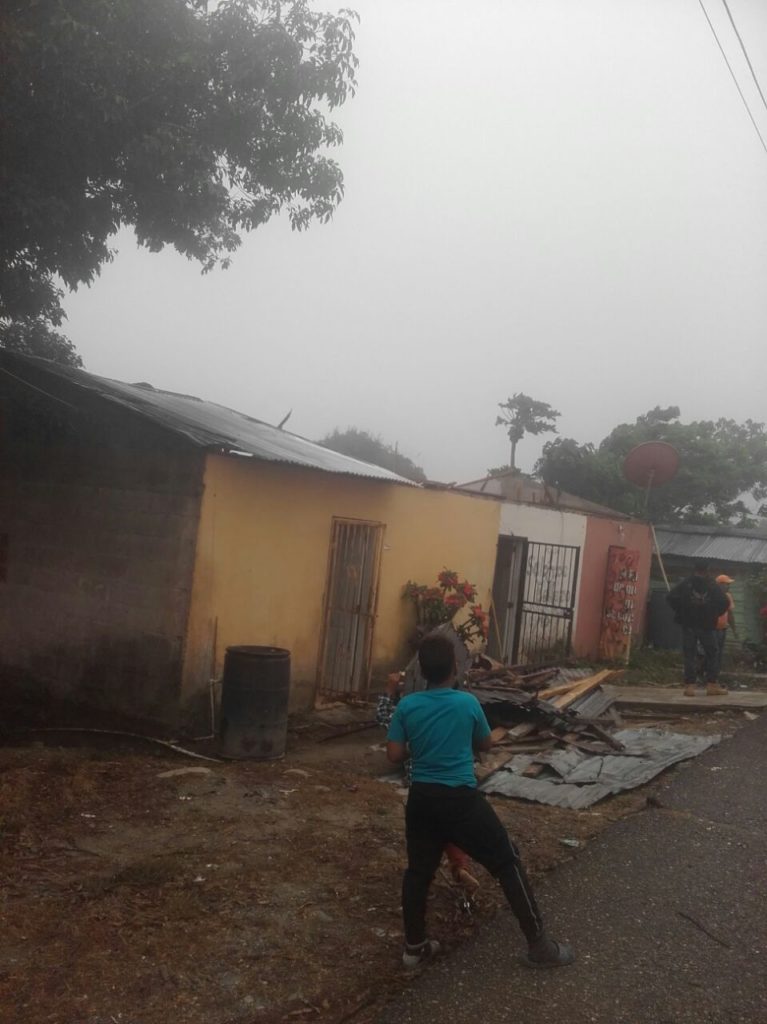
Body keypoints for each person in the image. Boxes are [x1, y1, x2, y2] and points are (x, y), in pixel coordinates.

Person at [386, 632, 574, 970]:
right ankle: (539, 946)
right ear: (455, 668)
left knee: (418, 873)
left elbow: (394, 754)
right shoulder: (467, 703)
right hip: (460, 800)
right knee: (506, 861)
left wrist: (422, 746)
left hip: (422, 800)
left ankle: (414, 948)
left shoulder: (407, 705)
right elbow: (485, 743)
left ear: (422, 671)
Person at [667, 561, 729, 697]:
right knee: (713, 652)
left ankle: (690, 687)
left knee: (689, 654)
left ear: (694, 569)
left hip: (688, 624)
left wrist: (681, 612)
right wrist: (713, 614)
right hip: (706, 626)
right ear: (707, 570)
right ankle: (711, 685)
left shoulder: (686, 583)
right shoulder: (711, 584)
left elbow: (671, 597)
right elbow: (725, 602)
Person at [713, 574, 737, 676]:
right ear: (720, 585)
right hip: (711, 629)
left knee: (719, 653)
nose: (728, 586)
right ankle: (706, 674)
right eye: (727, 584)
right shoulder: (711, 595)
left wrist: (734, 630)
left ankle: (715, 676)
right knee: (712, 652)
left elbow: (730, 614)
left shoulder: (728, 596)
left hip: (722, 629)